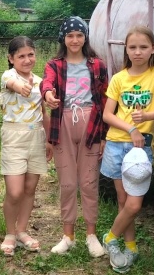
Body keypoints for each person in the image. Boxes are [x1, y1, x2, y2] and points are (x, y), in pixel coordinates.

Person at [100, 25, 154, 273]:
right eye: (133, 47)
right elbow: (107, 115)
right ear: (126, 49)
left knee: (134, 205)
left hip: (140, 148)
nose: (138, 52)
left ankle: (110, 238)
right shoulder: (119, 78)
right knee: (123, 201)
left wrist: (148, 115)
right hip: (117, 143)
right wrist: (132, 129)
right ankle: (131, 247)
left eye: (143, 47)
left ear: (153, 49)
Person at [40, 17, 110, 257]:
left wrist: (103, 136)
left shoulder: (98, 65)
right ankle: (68, 235)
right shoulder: (55, 65)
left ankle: (91, 235)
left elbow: (103, 100)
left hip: (91, 123)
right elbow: (46, 84)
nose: (75, 40)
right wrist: (48, 94)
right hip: (63, 123)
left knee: (89, 183)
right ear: (64, 38)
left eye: (79, 35)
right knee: (68, 183)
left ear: (85, 37)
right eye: (70, 35)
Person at [0, 36, 51, 256]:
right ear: (11, 58)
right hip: (14, 136)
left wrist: (49, 140)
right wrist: (23, 88)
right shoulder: (8, 76)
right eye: (21, 56)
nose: (27, 59)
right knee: (15, 191)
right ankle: (9, 233)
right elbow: (15, 85)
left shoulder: (41, 81)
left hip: (36, 136)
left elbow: (44, 112)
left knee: (30, 189)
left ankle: (21, 231)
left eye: (31, 54)